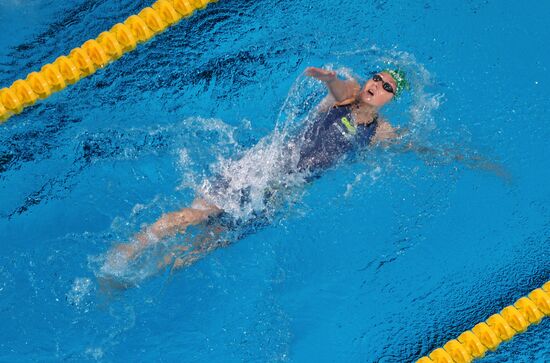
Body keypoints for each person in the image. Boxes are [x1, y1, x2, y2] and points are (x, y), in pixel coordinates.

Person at [99, 66, 502, 286]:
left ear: (393, 101)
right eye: (376, 78)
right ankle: (126, 252)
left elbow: (424, 148)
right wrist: (328, 77)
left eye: (387, 86)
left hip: (278, 196)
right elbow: (338, 84)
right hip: (258, 171)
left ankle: (140, 278)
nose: (376, 86)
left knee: (207, 245)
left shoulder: (380, 134)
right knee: (193, 216)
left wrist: (472, 160)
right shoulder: (342, 98)